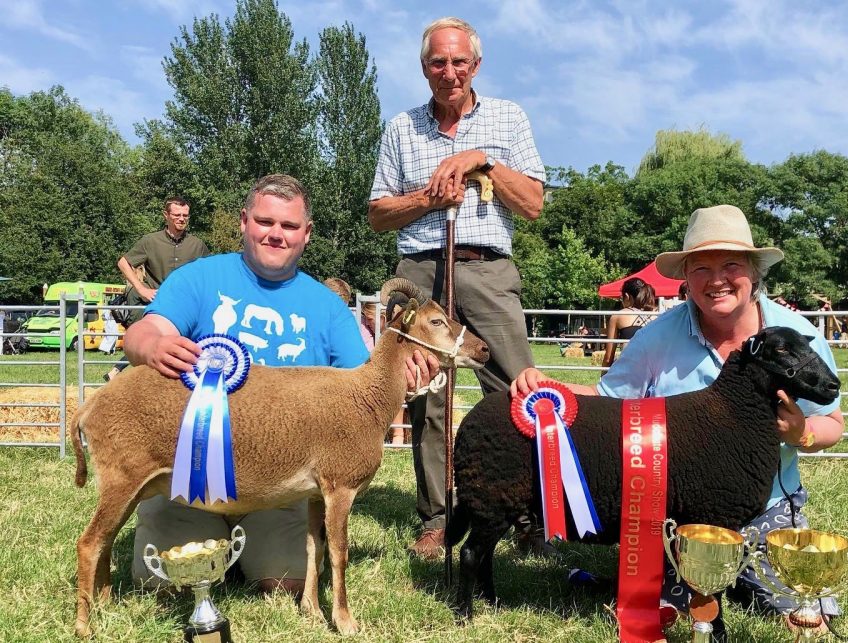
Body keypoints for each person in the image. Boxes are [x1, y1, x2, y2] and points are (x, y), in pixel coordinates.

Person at [512, 205, 844, 633]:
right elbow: (608, 398)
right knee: (663, 608)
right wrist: (547, 389)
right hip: (677, 514)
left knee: (807, 614)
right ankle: (700, 581)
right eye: (701, 268)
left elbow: (832, 423)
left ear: (754, 273)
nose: (717, 279)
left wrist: (801, 432)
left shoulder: (796, 335)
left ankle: (742, 574)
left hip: (766, 507)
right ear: (685, 278)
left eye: (731, 264)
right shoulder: (657, 335)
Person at [124, 174, 436, 596]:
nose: (276, 234)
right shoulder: (198, 278)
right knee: (164, 582)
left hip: (277, 482)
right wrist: (153, 346)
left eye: (289, 226)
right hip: (191, 477)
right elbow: (141, 335)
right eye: (264, 222)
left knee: (285, 583)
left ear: (306, 234)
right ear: (243, 222)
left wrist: (407, 370)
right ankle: (205, 541)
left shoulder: (327, 306)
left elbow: (367, 384)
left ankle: (250, 549)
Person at [368, 16, 546, 559]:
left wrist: (482, 161)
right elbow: (378, 214)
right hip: (422, 271)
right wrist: (428, 198)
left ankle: (530, 514)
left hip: (488, 269)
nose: (449, 72)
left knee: (520, 391)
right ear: (424, 68)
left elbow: (534, 204)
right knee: (429, 395)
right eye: (437, 63)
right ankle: (437, 517)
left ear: (476, 64)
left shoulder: (507, 119)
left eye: (459, 61)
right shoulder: (402, 128)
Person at [105, 197, 209, 381]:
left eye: (185, 215)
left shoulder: (197, 245)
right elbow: (123, 263)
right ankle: (124, 376)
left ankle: (117, 371)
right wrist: (141, 288)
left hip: (187, 308)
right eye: (177, 215)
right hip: (157, 309)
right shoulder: (150, 241)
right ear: (166, 215)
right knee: (152, 352)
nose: (182, 219)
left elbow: (209, 273)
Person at [601, 277, 656, 368]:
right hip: (654, 374)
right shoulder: (657, 315)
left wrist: (603, 377)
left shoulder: (618, 316)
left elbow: (608, 358)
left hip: (629, 372)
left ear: (626, 296)